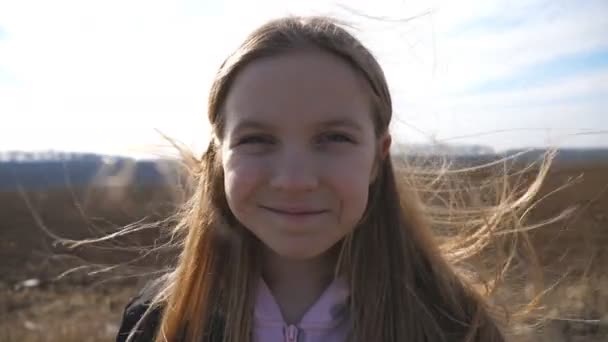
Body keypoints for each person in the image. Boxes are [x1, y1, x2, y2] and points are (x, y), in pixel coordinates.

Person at [116, 15, 529, 342]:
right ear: (219, 157)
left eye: (334, 138)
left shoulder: (454, 325)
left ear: (376, 159)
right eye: (257, 139)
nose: (294, 181)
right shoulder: (160, 322)